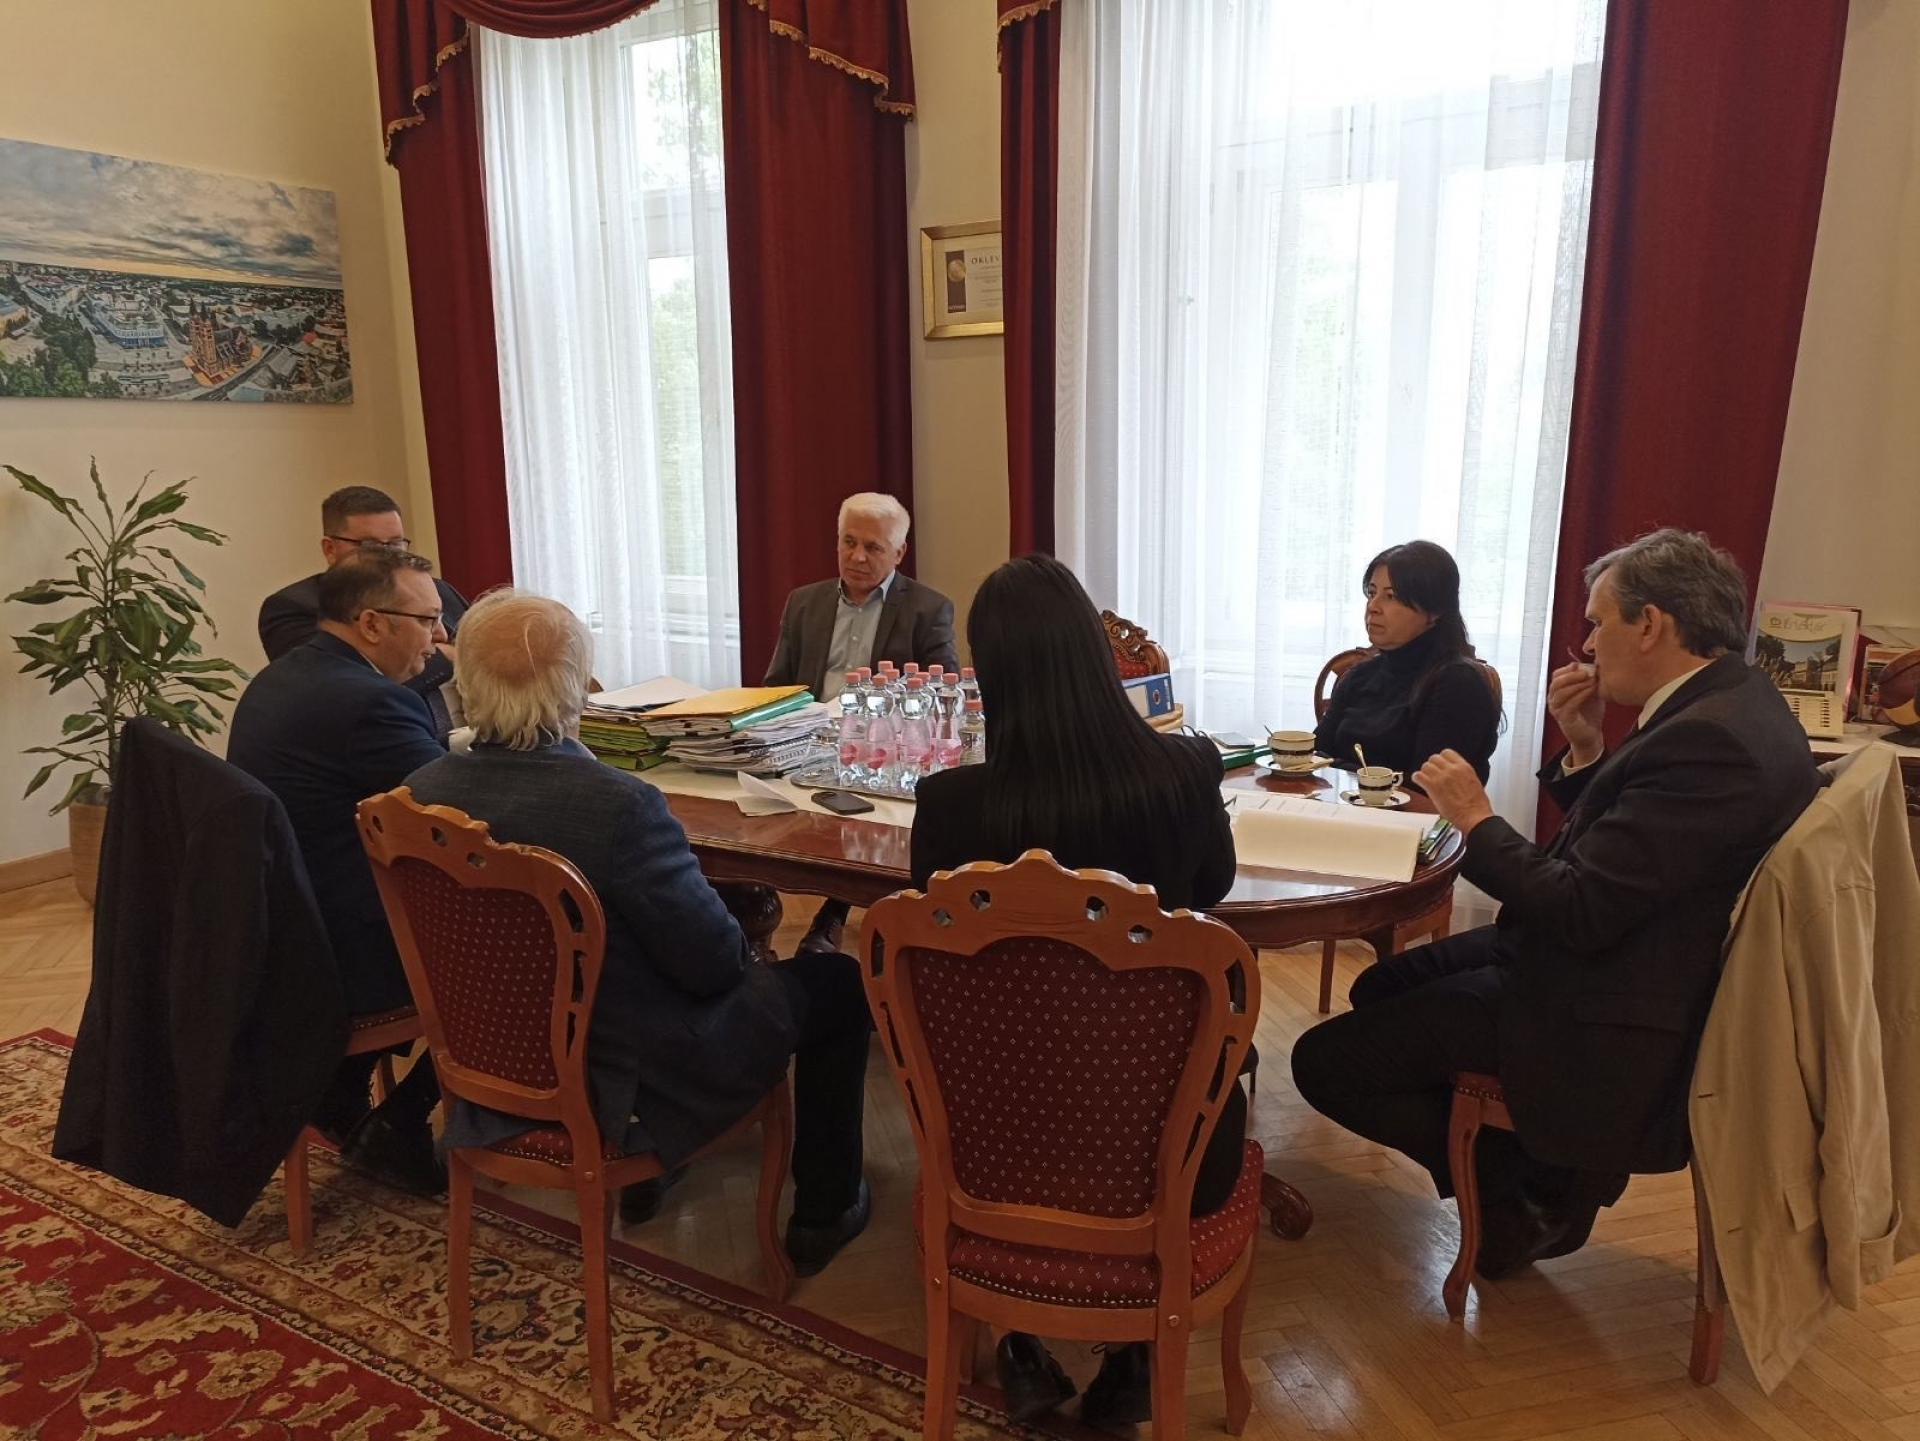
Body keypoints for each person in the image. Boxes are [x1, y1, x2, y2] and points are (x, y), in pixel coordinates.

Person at [1290, 528, 1817, 1279]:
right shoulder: (1732, 701)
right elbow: (1636, 849)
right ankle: (1532, 1166)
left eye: (1598, 622)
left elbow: (1580, 907)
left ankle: (1523, 1193)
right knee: (1379, 986)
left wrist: (1477, 819)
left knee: (1323, 1060)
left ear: (1650, 623)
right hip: (1616, 953)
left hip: (1604, 998)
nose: (1589, 645)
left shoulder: (1712, 741)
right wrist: (1587, 748)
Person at [405, 590, 874, 1273]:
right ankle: (823, 1211)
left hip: (493, 1056)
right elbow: (714, 965)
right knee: (839, 982)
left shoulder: (416, 795)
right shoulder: (619, 808)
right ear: (579, 689)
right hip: (626, 1074)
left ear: (466, 683)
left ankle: (665, 1165)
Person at [910, 554, 1243, 1431]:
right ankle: (1134, 1353)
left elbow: (934, 944)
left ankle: (1019, 1340)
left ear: (988, 675)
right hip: (1168, 1142)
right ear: (1098, 657)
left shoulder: (949, 806)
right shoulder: (1184, 773)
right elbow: (1211, 892)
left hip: (994, 1142)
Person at [228, 549, 452, 1196]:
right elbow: (462, 809)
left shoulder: (283, 677)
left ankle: (337, 1088)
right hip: (345, 948)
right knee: (524, 945)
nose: (440, 636)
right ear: (372, 623)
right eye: (428, 619)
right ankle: (403, 1120)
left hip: (289, 922)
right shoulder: (369, 703)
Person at [764, 491, 959, 954]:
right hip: (807, 741)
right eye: (848, 542)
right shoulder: (804, 603)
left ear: (899, 552)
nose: (856, 557)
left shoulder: (927, 609)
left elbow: (942, 696)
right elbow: (776, 688)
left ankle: (838, 912)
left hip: (879, 751)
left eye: (872, 547)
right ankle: (758, 910)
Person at [258, 486, 469, 740]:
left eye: (395, 544)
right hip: (389, 740)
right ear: (330, 549)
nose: (388, 556)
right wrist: (448, 657)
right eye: (370, 546)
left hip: (474, 737)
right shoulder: (294, 606)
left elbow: (483, 657)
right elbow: (340, 694)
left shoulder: (437, 591)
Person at [1313, 540, 1501, 784]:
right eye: (1372, 593)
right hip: (1343, 804)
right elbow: (1314, 755)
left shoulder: (1458, 683)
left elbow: (1424, 784)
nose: (1373, 607)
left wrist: (1338, 767)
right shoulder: (1359, 674)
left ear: (1434, 611)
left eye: (1391, 596)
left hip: (1413, 809)